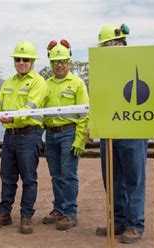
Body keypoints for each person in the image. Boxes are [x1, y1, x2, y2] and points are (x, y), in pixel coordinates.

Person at [0, 41, 48, 234]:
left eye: (25, 59)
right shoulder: (9, 82)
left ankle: (26, 216)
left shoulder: (38, 82)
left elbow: (31, 107)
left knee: (29, 178)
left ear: (32, 62)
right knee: (7, 177)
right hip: (10, 135)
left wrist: (12, 116)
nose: (21, 62)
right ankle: (4, 213)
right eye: (18, 59)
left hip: (29, 135)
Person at [95, 23, 148, 244]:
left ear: (123, 44)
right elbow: (98, 99)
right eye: (107, 45)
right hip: (109, 132)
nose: (112, 48)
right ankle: (118, 221)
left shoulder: (140, 65)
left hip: (133, 132)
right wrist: (93, 125)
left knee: (134, 179)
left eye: (115, 44)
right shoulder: (102, 71)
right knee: (112, 179)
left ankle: (135, 225)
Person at [42, 40, 89, 230]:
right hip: (51, 135)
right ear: (51, 63)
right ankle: (59, 209)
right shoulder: (46, 84)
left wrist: (79, 139)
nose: (59, 65)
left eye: (63, 61)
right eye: (56, 61)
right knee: (56, 175)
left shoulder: (77, 83)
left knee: (69, 175)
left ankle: (70, 213)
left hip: (69, 133)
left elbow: (84, 114)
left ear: (68, 62)